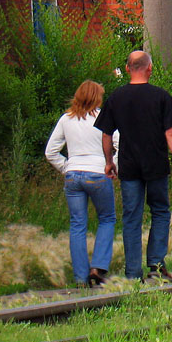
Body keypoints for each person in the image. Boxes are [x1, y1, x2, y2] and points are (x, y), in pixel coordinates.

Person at [95, 50, 172, 281]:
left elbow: (106, 134)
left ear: (127, 69)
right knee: (160, 212)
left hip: (129, 166)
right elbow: (171, 132)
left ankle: (133, 273)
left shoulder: (116, 97)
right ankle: (155, 267)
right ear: (150, 68)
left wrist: (108, 162)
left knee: (132, 218)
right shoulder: (161, 97)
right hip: (156, 164)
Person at [45, 80, 118, 287]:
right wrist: (113, 165)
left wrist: (66, 166)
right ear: (97, 97)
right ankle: (98, 267)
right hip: (98, 173)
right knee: (107, 218)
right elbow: (120, 143)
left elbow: (50, 152)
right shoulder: (104, 117)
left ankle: (80, 278)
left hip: (73, 175)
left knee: (77, 224)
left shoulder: (66, 119)